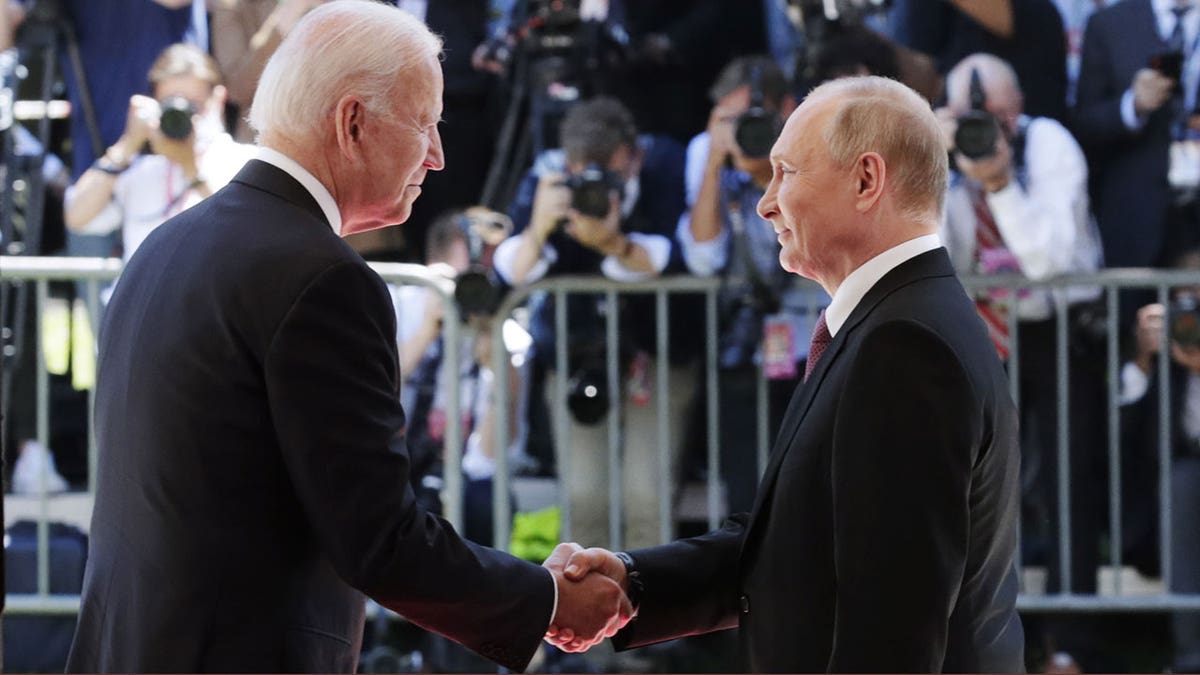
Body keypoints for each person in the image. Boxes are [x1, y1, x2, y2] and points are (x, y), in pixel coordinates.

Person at [64, 3, 629, 672]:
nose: (440, 156)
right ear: (353, 122)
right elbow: (378, 538)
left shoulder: (165, 246)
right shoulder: (322, 277)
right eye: (426, 124)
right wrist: (548, 601)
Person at [545, 75, 1025, 672]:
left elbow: (893, 622)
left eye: (788, 173)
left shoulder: (904, 343)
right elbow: (802, 547)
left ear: (866, 180)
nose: (766, 202)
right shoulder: (891, 322)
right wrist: (635, 581)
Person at [936, 51, 1107, 671]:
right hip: (976, 337)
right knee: (973, 496)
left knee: (1067, 485)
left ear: (1019, 108)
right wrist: (933, 160)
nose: (987, 128)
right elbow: (927, 253)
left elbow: (1051, 259)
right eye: (971, 116)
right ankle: (981, 644)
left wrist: (1001, 182)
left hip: (1055, 331)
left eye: (998, 113)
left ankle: (1074, 646)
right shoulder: (939, 149)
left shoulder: (1051, 144)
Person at [63, 43, 255, 262]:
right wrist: (126, 145)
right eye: (171, 104)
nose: (183, 115)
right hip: (145, 296)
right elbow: (77, 217)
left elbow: (245, 233)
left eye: (194, 105)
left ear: (218, 99)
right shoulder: (139, 171)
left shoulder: (246, 162)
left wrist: (191, 170)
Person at [1119, 249, 1200, 674]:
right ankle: (1191, 660)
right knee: (1183, 484)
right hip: (1180, 477)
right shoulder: (1164, 352)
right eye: (1187, 301)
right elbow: (1127, 437)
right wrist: (1145, 358)